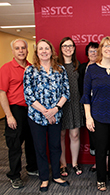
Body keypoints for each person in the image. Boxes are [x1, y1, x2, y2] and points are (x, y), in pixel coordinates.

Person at [80, 36, 110, 191]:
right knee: (101, 150)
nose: (109, 49)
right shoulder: (92, 69)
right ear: (101, 49)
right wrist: (88, 117)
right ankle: (101, 178)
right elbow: (86, 95)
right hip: (98, 116)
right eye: (106, 46)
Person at [23, 39, 70, 192]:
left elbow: (66, 93)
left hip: (56, 115)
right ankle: (44, 178)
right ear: (37, 52)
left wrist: (55, 110)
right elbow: (28, 96)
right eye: (41, 49)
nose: (44, 51)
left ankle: (56, 175)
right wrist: (45, 112)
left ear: (51, 51)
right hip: (36, 117)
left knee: (56, 147)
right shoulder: (30, 70)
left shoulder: (60, 69)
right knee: (40, 148)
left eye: (47, 48)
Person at [0, 39, 38, 189]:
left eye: (23, 48)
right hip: (15, 109)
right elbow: (2, 93)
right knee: (15, 144)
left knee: (31, 141)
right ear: (13, 51)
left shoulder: (32, 67)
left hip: (32, 109)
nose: (21, 51)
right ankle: (14, 175)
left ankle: (32, 167)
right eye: (17, 48)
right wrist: (8, 115)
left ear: (27, 50)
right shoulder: (6, 68)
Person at [58, 37, 84, 177]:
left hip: (75, 103)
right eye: (65, 46)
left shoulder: (78, 65)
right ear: (61, 48)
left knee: (74, 135)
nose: (68, 48)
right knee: (61, 135)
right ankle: (63, 164)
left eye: (71, 46)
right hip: (60, 105)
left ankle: (74, 163)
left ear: (74, 49)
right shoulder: (55, 65)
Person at [78, 41, 99, 172]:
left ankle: (104, 162)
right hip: (86, 104)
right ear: (87, 53)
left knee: (102, 133)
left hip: (100, 104)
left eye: (96, 51)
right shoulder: (82, 68)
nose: (93, 54)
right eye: (91, 51)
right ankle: (97, 161)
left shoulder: (104, 67)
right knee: (92, 133)